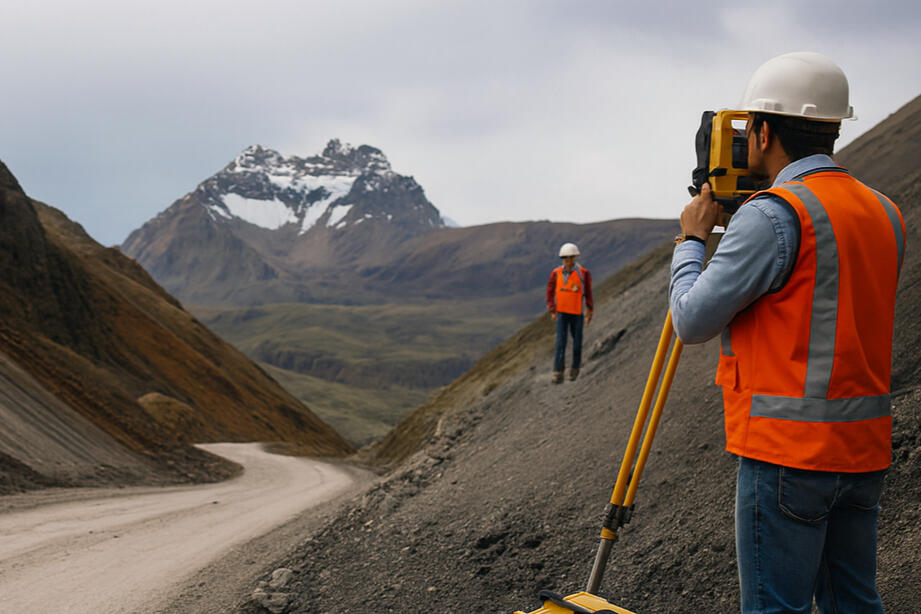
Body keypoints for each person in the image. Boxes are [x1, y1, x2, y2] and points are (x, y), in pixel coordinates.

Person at [670, 52, 905, 613]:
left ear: (763, 130)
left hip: (787, 458)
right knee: (854, 604)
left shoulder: (773, 215)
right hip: (863, 451)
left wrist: (691, 243)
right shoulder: (883, 211)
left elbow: (692, 320)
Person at [546, 242, 593, 384]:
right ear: (562, 259)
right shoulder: (555, 274)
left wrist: (589, 310)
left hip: (577, 313)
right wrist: (552, 309)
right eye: (565, 258)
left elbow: (588, 293)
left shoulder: (583, 273)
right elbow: (549, 292)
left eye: (571, 257)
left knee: (577, 342)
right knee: (560, 342)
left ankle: (575, 368)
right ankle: (558, 372)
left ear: (575, 258)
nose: (568, 260)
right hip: (562, 313)